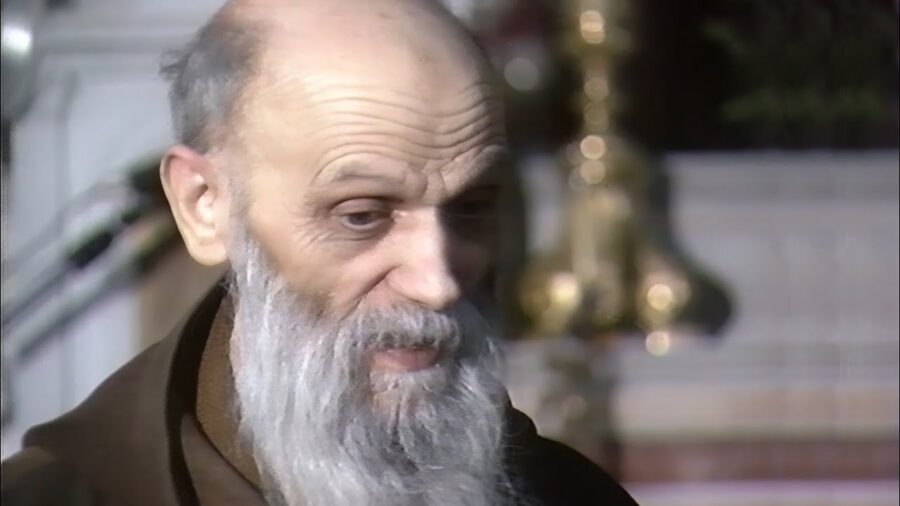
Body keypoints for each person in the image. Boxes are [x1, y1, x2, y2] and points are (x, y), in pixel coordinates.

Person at [0, 0, 640, 504]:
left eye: (471, 207)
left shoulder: (570, 496)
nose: (438, 280)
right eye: (361, 216)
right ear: (203, 204)